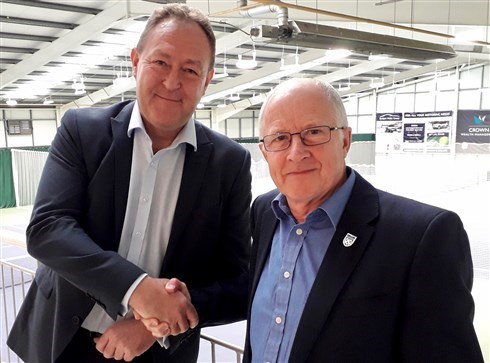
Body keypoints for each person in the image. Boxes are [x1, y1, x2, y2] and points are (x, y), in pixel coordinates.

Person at [7, 4, 251, 363]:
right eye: (161, 63)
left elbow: (236, 282)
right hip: (62, 343)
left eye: (189, 69)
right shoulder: (82, 131)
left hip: (159, 354)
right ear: (136, 62)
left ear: (207, 79)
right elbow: (48, 229)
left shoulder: (229, 162)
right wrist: (135, 290)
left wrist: (156, 326)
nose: (172, 82)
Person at [242, 78, 484, 362]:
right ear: (264, 151)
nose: (296, 152)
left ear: (345, 140)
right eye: (280, 138)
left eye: (314, 132)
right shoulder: (264, 212)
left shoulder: (422, 235)